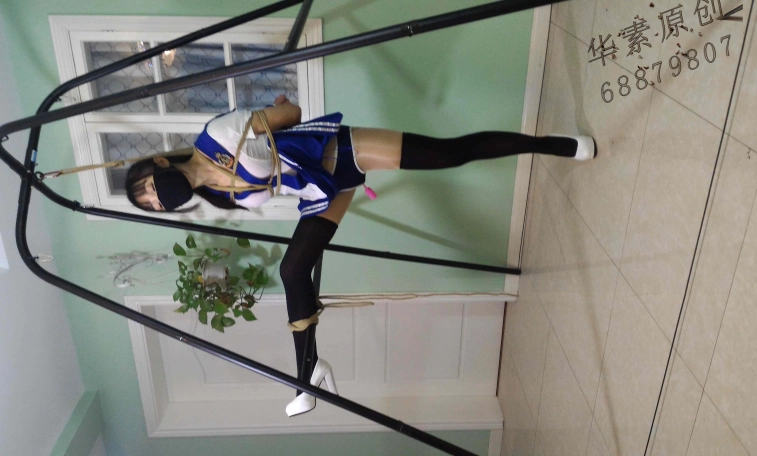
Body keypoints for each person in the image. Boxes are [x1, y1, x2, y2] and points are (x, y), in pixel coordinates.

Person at [125, 94, 596, 417]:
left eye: (148, 188)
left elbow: (291, 114)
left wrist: (273, 113)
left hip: (342, 150)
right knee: (293, 270)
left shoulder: (216, 135)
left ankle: (554, 145)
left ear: (159, 163)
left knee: (450, 154)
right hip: (324, 191)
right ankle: (308, 374)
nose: (157, 198)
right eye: (151, 205)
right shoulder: (221, 197)